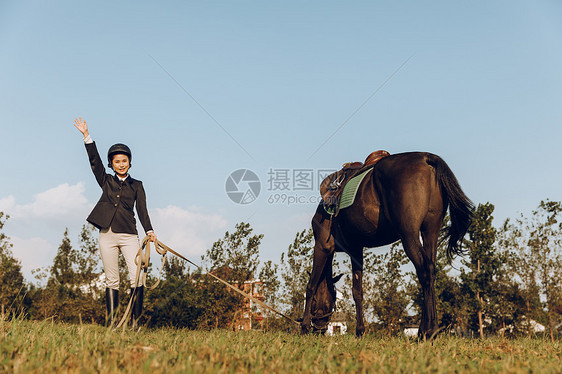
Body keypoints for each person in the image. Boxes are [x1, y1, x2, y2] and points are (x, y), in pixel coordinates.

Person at [74, 117, 157, 326]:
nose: (121, 164)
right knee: (112, 280)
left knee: (137, 278)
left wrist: (150, 230)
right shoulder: (106, 180)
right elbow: (95, 163)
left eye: (124, 160)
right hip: (107, 235)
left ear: (129, 162)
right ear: (112, 164)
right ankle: (112, 325)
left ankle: (135, 324)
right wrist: (87, 136)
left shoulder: (137, 185)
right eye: (117, 161)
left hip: (129, 235)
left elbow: (142, 210)